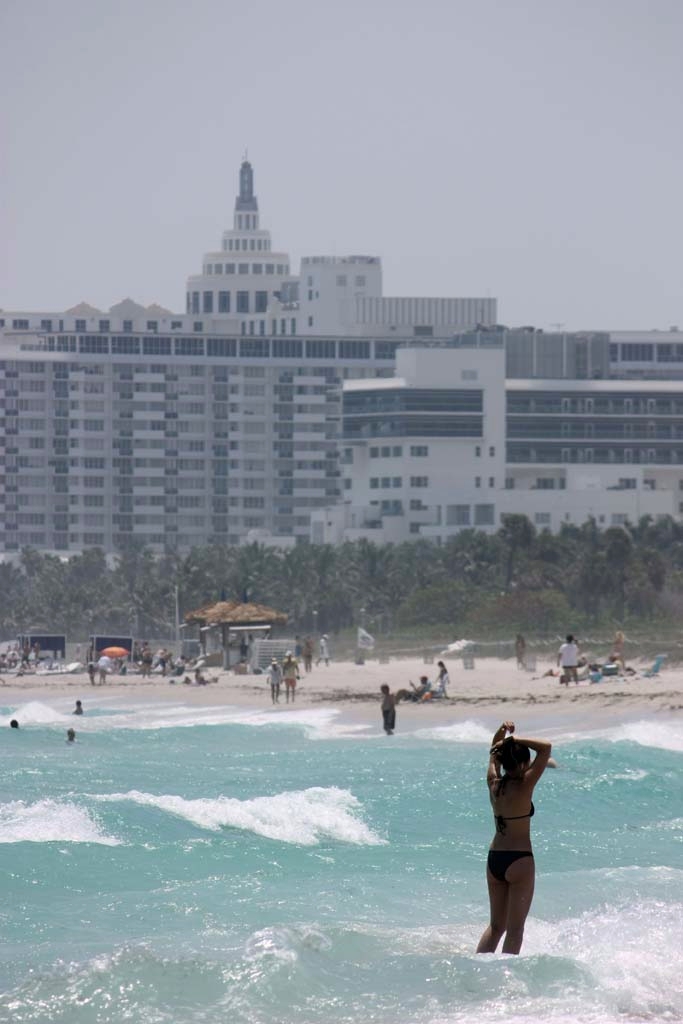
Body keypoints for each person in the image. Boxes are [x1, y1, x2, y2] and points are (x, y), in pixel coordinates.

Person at [476, 721, 552, 955]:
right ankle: (505, 982)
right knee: (515, 930)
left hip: (494, 860)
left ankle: (477, 972)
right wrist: (514, 740)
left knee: (496, 926)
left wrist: (501, 733)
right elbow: (546, 748)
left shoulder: (493, 784)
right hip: (519, 860)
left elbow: (493, 753)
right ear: (522, 763)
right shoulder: (525, 785)